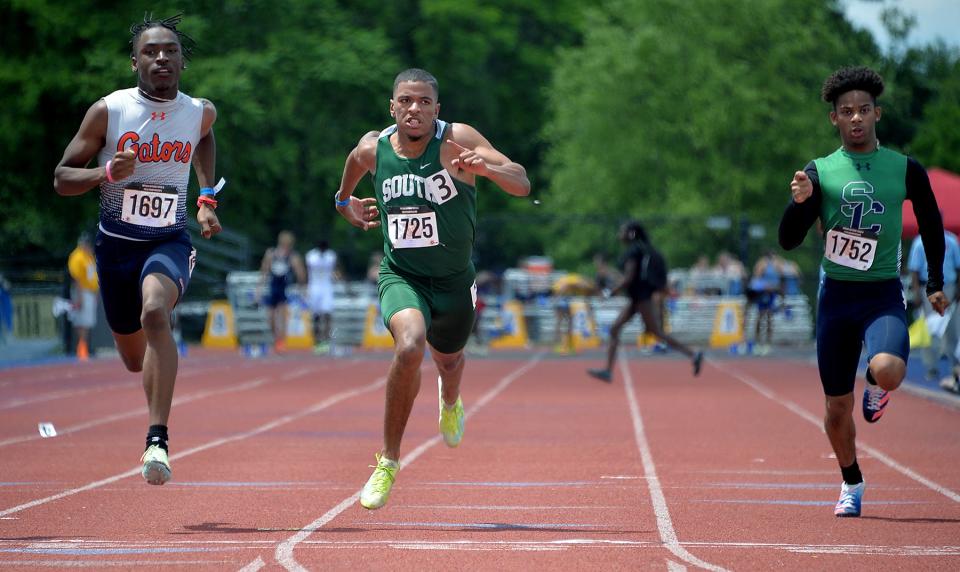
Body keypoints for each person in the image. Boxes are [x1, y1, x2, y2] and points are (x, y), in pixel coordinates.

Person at [334, 68, 530, 510]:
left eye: (424, 102)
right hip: (401, 275)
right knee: (409, 346)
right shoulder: (374, 147)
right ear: (392, 106)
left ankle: (451, 399)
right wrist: (344, 203)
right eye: (405, 100)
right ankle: (387, 462)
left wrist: (489, 168)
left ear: (437, 109)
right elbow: (351, 168)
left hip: (455, 281)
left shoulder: (457, 139)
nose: (414, 109)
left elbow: (522, 182)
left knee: (450, 359)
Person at [53, 13, 222, 485]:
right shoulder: (109, 112)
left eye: (170, 50)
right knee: (132, 357)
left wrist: (206, 198)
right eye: (151, 51)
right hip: (116, 249)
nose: (162, 57)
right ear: (134, 62)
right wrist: (105, 174)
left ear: (183, 61)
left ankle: (157, 440)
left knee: (155, 312)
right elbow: (62, 178)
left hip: (168, 240)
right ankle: (153, 383)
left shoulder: (199, 111)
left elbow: (204, 138)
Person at [779, 66, 946, 517]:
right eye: (847, 112)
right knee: (836, 409)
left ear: (878, 114)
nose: (856, 118)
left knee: (889, 369)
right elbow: (789, 239)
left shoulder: (905, 168)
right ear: (834, 118)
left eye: (864, 110)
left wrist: (934, 281)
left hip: (881, 295)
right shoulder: (820, 170)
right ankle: (851, 481)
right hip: (836, 297)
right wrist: (799, 205)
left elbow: (931, 223)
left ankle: (875, 382)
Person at [588, 220, 703, 382]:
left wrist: (609, 292)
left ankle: (693, 354)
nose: (619, 235)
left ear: (631, 234)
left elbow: (628, 278)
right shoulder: (641, 250)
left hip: (641, 297)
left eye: (622, 231)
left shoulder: (634, 252)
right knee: (615, 329)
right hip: (637, 297)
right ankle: (608, 371)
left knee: (656, 332)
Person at [906, 230, 960, 385]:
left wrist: (958, 289)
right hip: (929, 289)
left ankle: (955, 368)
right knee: (931, 330)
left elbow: (958, 267)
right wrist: (916, 293)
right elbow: (914, 270)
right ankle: (931, 368)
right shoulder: (919, 242)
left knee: (951, 329)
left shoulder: (950, 240)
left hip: (948, 287)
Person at [259, 230, 306, 353]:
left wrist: (302, 287)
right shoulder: (271, 253)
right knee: (270, 318)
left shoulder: (292, 256)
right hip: (273, 287)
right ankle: (276, 338)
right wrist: (259, 289)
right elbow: (264, 271)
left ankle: (281, 342)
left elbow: (300, 272)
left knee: (282, 316)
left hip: (284, 288)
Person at [67, 232, 100, 360]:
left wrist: (96, 292)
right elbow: (77, 278)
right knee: (82, 320)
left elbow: (94, 276)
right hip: (82, 291)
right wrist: (79, 296)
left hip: (89, 292)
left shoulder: (88, 257)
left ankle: (85, 346)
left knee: (88, 320)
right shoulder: (77, 257)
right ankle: (82, 347)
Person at [305, 239, 338, 353]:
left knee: (327, 314)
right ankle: (317, 340)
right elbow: (307, 272)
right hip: (314, 287)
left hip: (326, 287)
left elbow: (335, 271)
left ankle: (326, 340)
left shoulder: (331, 256)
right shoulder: (311, 256)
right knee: (316, 316)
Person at [748, 251, 784, 355]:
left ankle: (768, 342)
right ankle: (757, 342)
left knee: (769, 317)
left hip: (772, 293)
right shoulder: (762, 263)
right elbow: (757, 277)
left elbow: (780, 278)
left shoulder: (777, 264)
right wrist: (765, 285)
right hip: (762, 292)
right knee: (760, 316)